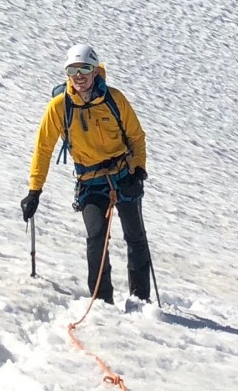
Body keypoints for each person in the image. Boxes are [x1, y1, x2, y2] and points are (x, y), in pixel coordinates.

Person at [20, 42, 152, 304]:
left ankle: (141, 300)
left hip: (124, 175)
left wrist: (138, 171)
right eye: (72, 70)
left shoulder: (115, 99)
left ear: (95, 71)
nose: (78, 76)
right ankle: (101, 301)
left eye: (84, 69)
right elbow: (43, 149)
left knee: (135, 236)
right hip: (90, 182)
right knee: (97, 236)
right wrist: (34, 190)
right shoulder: (59, 107)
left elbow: (136, 137)